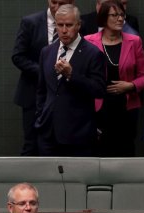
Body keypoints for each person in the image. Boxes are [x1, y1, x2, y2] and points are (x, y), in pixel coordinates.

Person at [35, 4, 106, 157]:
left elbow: (99, 90)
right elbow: (42, 91)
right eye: (60, 25)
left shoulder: (93, 54)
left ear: (78, 25)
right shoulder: (47, 52)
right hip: (48, 133)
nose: (64, 30)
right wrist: (40, 118)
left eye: (69, 25)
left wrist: (72, 75)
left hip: (77, 135)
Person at [84, 0, 144, 157]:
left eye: (122, 15)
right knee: (99, 153)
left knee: (124, 151)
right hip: (98, 108)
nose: (120, 19)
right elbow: (83, 75)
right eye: (115, 15)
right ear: (104, 18)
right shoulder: (88, 41)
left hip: (125, 108)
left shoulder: (134, 41)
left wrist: (131, 85)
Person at [12, 0, 75, 156]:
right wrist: (45, 71)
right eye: (54, 2)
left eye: (62, 3)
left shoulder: (77, 25)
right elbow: (18, 56)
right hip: (33, 94)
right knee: (31, 145)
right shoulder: (30, 22)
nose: (57, 7)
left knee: (63, 146)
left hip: (66, 95)